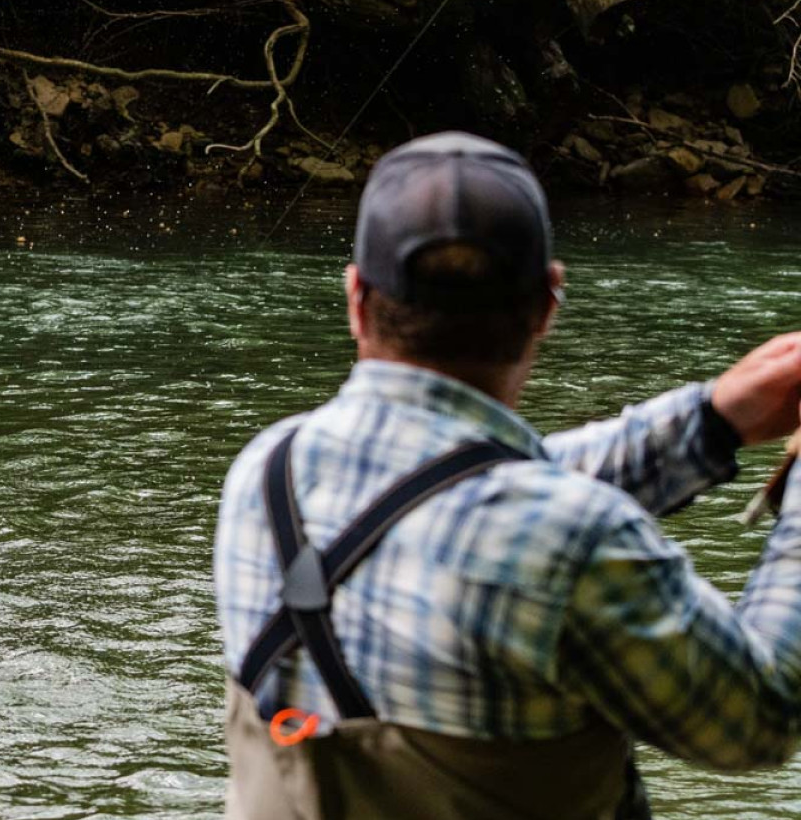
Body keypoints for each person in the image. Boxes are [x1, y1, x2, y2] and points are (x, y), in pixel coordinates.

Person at [213, 131, 801, 820]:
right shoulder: (573, 538)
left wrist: (711, 422)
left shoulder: (265, 470)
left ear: (356, 296)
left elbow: (462, 496)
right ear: (548, 303)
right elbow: (758, 721)